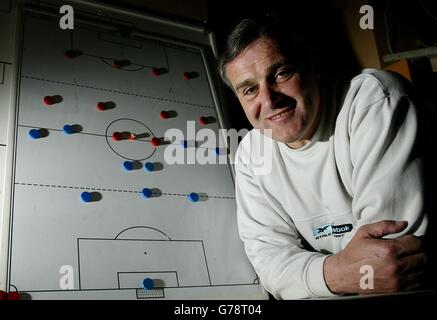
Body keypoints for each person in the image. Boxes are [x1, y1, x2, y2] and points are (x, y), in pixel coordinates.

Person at [218, 15, 431, 299]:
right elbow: (269, 264)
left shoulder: (373, 100)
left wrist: (310, 277)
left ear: (312, 65)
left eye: (281, 73)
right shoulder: (251, 154)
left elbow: (391, 262)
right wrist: (339, 272)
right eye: (250, 89)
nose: (268, 100)